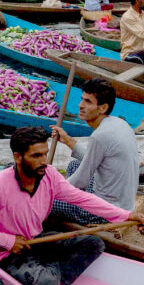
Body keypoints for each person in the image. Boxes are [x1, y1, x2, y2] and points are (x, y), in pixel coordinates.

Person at [0, 126, 144, 285]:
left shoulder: (49, 175)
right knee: (46, 284)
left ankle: (54, 276)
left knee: (95, 244)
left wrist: (125, 215)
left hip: (37, 240)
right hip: (10, 253)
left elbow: (82, 199)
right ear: (18, 157)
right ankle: (49, 277)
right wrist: (9, 241)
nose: (44, 161)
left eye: (45, 154)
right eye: (36, 156)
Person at [49, 78, 138, 225]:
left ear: (102, 108)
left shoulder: (99, 136)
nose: (80, 105)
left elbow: (81, 180)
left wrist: (48, 190)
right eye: (82, 99)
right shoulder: (119, 123)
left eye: (88, 102)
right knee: (74, 165)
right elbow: (94, 159)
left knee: (48, 201)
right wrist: (67, 140)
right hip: (122, 200)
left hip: (105, 211)